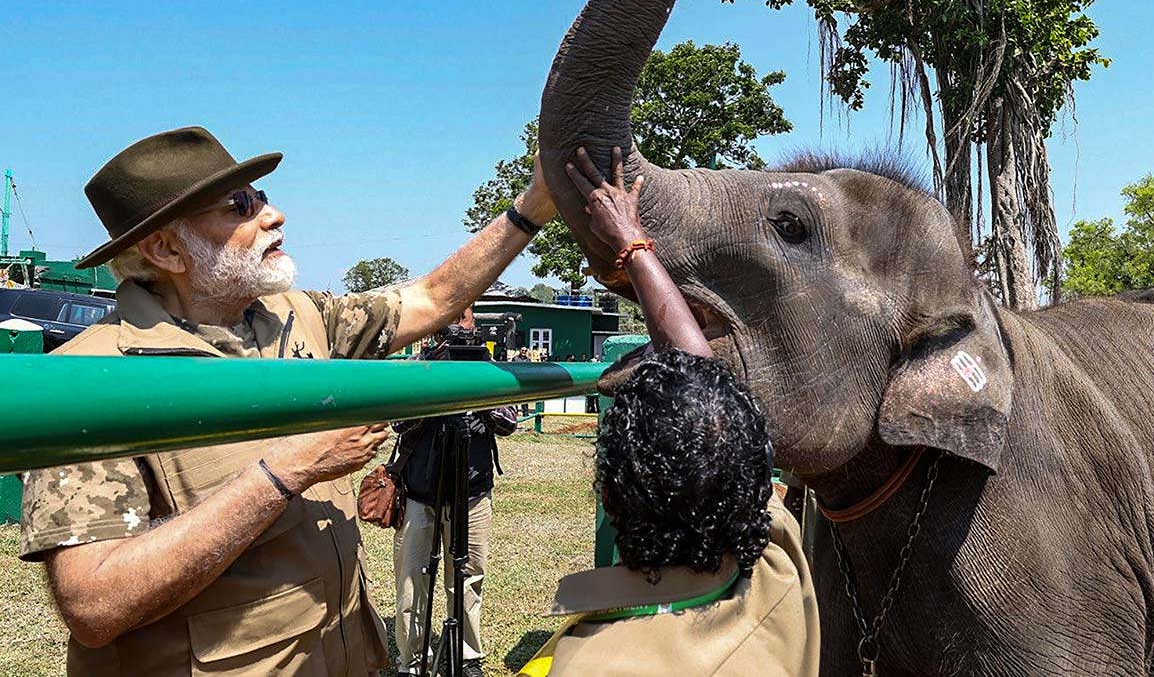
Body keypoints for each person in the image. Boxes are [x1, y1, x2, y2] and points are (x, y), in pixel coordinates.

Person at [17, 126, 555, 677]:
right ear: (164, 248)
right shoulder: (94, 379)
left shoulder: (299, 316)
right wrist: (288, 470)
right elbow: (94, 605)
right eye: (240, 206)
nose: (274, 215)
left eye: (263, 198)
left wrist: (534, 204)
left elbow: (430, 298)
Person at [517, 147, 819, 676]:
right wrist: (634, 246)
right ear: (754, 486)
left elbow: (699, 373)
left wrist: (629, 246)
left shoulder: (592, 664)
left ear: (608, 498)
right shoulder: (777, 562)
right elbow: (698, 371)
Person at [390, 310, 517, 676]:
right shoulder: (419, 364)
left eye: (466, 318)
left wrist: (477, 389)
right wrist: (435, 383)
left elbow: (508, 423)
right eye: (452, 318)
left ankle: (467, 656)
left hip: (472, 492)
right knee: (413, 580)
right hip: (420, 491)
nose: (461, 327)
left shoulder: (488, 368)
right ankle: (412, 660)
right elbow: (398, 421)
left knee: (468, 578)